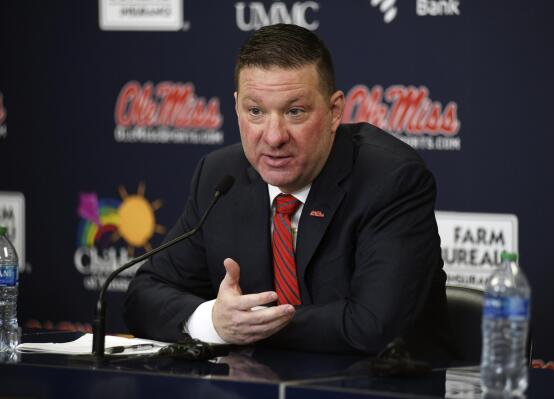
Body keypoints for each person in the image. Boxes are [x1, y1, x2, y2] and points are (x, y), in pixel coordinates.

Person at [124, 23, 451, 357]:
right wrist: (211, 321)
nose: (274, 135)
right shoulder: (220, 176)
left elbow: (373, 328)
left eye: (295, 112)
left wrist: (245, 327)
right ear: (236, 107)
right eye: (255, 112)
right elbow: (143, 294)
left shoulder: (391, 180)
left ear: (334, 111)